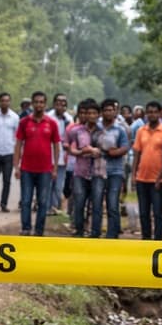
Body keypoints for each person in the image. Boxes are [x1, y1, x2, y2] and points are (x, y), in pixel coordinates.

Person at [13, 91, 60, 236]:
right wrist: (16, 166)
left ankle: (39, 230)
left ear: (45, 104)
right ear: (32, 104)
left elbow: (56, 146)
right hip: (27, 168)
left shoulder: (51, 123)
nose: (39, 105)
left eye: (42, 102)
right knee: (26, 200)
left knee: (43, 202)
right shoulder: (24, 122)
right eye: (36, 102)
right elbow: (18, 145)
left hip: (45, 170)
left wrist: (55, 168)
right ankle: (26, 228)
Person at [131, 100, 162, 240]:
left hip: (159, 179)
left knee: (158, 213)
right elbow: (137, 153)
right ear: (146, 114)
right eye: (149, 112)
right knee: (143, 212)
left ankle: (158, 241)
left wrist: (161, 177)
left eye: (155, 112)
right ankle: (145, 240)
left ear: (160, 113)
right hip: (142, 177)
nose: (152, 115)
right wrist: (134, 175)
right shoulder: (141, 131)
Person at [66, 98, 102, 237]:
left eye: (94, 113)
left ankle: (95, 232)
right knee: (79, 203)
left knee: (97, 204)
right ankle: (79, 231)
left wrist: (98, 151)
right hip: (80, 172)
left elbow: (108, 149)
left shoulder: (103, 131)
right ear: (85, 115)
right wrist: (83, 152)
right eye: (89, 113)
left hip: (98, 172)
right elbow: (71, 149)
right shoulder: (77, 131)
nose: (91, 116)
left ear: (98, 115)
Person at [96, 97, 130, 238]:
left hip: (115, 170)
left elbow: (125, 147)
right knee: (97, 203)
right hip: (98, 170)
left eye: (111, 110)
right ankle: (95, 232)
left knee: (112, 203)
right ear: (102, 112)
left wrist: (114, 152)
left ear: (115, 112)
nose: (109, 113)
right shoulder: (96, 128)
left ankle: (112, 233)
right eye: (106, 110)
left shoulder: (120, 129)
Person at [48, 94, 72, 215]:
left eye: (64, 103)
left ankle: (55, 206)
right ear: (54, 104)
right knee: (48, 184)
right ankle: (47, 207)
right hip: (48, 155)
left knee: (58, 185)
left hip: (63, 156)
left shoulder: (68, 119)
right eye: (58, 102)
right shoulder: (48, 117)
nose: (61, 105)